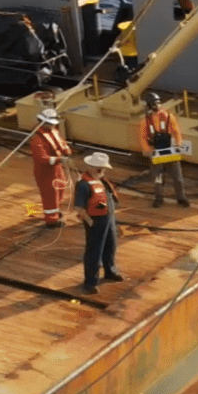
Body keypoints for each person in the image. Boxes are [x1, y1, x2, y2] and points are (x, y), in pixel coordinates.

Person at [74, 152, 123, 294]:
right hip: (95, 220)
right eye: (100, 169)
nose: (102, 171)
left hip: (108, 218)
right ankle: (90, 282)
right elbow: (79, 207)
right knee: (94, 251)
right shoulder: (83, 184)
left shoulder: (102, 180)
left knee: (110, 245)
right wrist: (89, 221)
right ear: (92, 168)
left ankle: (110, 271)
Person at [138, 93, 189, 208]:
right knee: (158, 179)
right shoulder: (145, 121)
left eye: (157, 103)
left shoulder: (168, 117)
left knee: (177, 178)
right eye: (154, 104)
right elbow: (143, 138)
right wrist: (148, 151)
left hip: (170, 150)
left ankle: (181, 198)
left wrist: (178, 144)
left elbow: (176, 132)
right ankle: (159, 198)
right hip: (156, 152)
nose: (157, 106)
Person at [29, 107, 71, 227]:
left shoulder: (53, 131)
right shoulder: (37, 140)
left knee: (60, 188)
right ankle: (51, 220)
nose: (52, 125)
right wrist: (59, 159)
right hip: (45, 171)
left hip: (56, 168)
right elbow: (42, 158)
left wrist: (66, 149)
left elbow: (61, 142)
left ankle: (56, 210)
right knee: (50, 194)